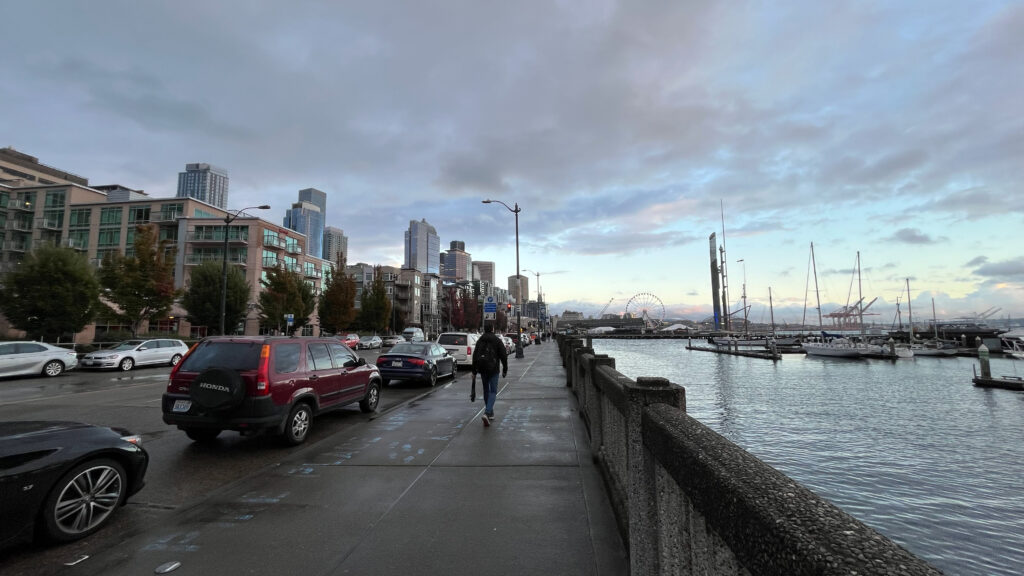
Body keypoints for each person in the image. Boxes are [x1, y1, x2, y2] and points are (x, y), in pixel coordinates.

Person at [472, 323, 508, 427]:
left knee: (486, 391)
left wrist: (474, 371)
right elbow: (503, 355)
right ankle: (487, 412)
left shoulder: (480, 340)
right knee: (493, 391)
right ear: (492, 329)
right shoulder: (497, 340)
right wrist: (505, 369)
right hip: (493, 369)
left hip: (482, 369)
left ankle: (490, 413)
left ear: (484, 329)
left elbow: (475, 355)